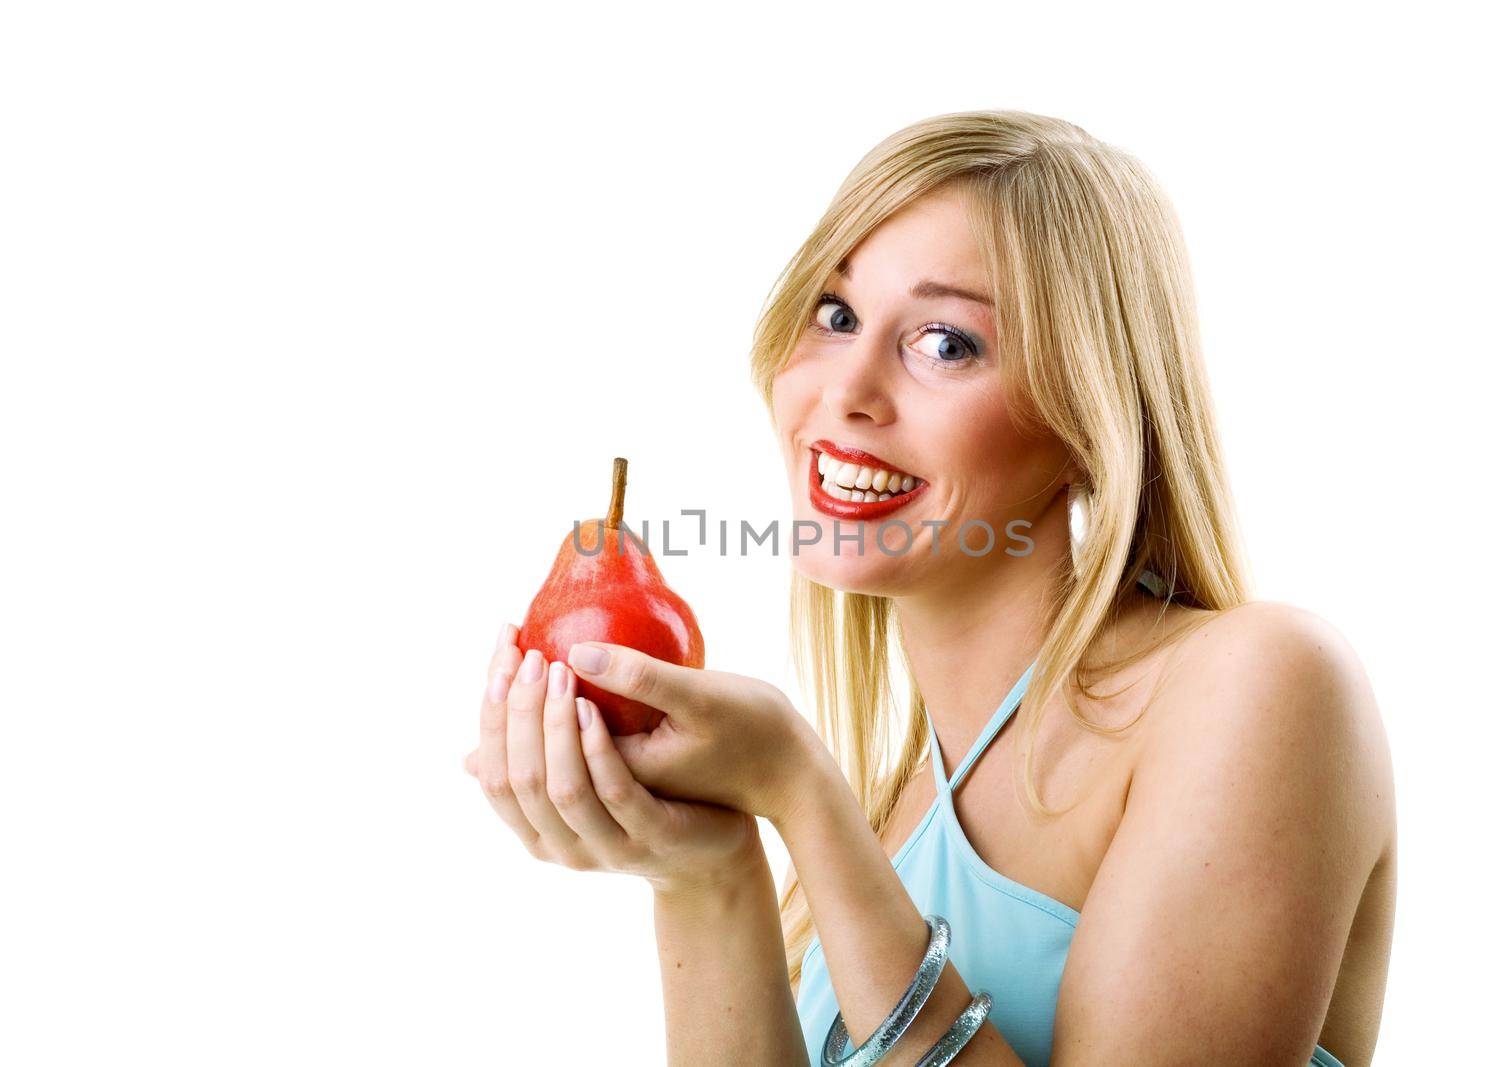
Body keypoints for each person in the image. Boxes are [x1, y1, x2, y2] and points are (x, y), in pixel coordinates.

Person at [465, 109, 1396, 1066]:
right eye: (835, 315)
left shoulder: (1264, 687)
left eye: (946, 342)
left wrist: (799, 790)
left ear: (1088, 416)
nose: (849, 389)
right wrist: (707, 875)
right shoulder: (890, 816)